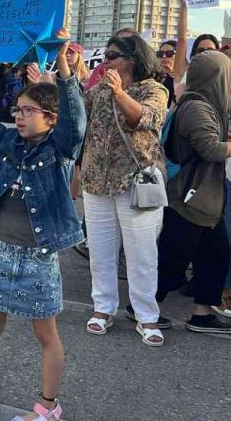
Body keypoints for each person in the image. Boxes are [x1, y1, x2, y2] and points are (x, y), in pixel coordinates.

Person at [0, 35, 84, 421]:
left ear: (50, 118)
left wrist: (64, 69)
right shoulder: (8, 141)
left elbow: (75, 124)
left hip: (38, 257)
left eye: (28, 110)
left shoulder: (59, 150)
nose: (19, 115)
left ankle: (47, 407)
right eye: (18, 109)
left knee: (45, 334)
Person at [81, 34, 169, 347]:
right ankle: (103, 308)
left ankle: (146, 316)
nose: (106, 62)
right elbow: (77, 106)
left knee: (141, 254)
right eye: (104, 56)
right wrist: (66, 64)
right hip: (97, 181)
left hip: (135, 182)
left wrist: (119, 92)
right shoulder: (100, 88)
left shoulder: (153, 89)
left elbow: (145, 119)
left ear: (133, 58)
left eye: (113, 56)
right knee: (101, 252)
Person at [156, 50, 231, 334]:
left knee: (215, 257)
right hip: (188, 197)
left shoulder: (211, 104)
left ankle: (201, 315)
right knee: (172, 260)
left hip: (204, 199)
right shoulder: (196, 107)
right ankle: (143, 306)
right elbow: (210, 148)